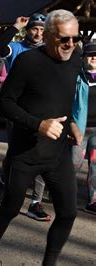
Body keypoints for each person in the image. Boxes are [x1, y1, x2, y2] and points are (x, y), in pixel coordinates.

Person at [0, 10, 82, 265]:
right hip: (25, 153)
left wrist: (72, 124)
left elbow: (62, 99)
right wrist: (39, 125)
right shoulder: (28, 62)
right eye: (63, 39)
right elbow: (6, 104)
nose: (70, 44)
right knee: (10, 209)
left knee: (68, 213)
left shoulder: (75, 58)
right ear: (46, 36)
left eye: (75, 38)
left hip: (57, 154)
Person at [0, 13, 52, 221]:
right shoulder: (17, 48)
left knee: (41, 153)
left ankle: (35, 202)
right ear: (28, 31)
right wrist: (15, 26)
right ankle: (5, 183)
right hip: (17, 109)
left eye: (42, 30)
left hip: (42, 110)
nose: (38, 33)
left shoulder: (49, 52)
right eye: (34, 29)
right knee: (16, 152)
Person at [72, 42, 96, 214]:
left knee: (95, 166)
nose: (94, 58)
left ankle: (93, 199)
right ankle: (64, 194)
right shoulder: (77, 77)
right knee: (74, 164)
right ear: (83, 58)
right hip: (80, 129)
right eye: (90, 55)